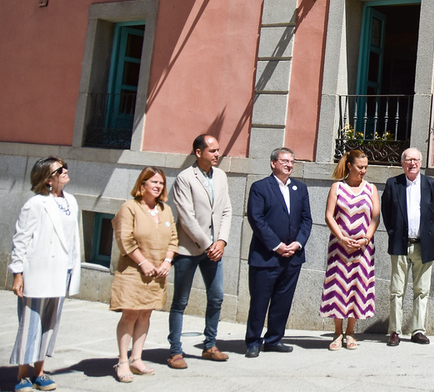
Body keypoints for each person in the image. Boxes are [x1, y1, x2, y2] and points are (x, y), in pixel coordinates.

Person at [8, 157, 82, 392]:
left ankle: (39, 372)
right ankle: (22, 375)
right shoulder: (36, 204)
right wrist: (17, 273)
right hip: (38, 271)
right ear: (48, 179)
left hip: (62, 271)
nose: (65, 171)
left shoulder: (71, 201)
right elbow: (21, 239)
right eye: (60, 170)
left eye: (65, 166)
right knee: (30, 324)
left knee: (50, 325)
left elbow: (72, 240)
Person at [167, 134, 233, 369]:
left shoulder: (221, 176)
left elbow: (226, 210)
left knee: (216, 298)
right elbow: (186, 217)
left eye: (218, 150)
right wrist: (208, 245)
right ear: (198, 152)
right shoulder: (185, 178)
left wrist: (222, 241)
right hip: (188, 249)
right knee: (180, 301)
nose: (217, 154)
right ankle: (175, 351)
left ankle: (210, 345)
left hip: (215, 249)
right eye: (212, 151)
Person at [109, 167, 178, 383]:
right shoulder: (129, 208)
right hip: (133, 271)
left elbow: (173, 238)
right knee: (130, 314)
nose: (158, 186)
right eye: (154, 182)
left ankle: (137, 358)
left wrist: (167, 261)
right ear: (143, 184)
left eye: (161, 183)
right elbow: (125, 239)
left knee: (146, 314)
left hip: (157, 272)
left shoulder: (165, 210)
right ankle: (122, 361)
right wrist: (144, 262)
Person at [245, 147, 312, 357]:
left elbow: (306, 220)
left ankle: (274, 339)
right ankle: (253, 341)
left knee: (283, 301)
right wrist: (277, 245)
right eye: (284, 161)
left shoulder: (300, 189)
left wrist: (298, 244)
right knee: (260, 301)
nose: (289, 165)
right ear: (273, 163)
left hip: (292, 257)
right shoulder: (260, 187)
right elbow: (257, 219)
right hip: (266, 256)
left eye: (292, 161)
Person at [381, 147, 434, 346]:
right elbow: (387, 214)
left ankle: (418, 331)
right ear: (402, 163)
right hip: (400, 243)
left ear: (421, 162)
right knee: (396, 290)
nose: (412, 163)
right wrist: (394, 233)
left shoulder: (432, 185)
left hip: (423, 246)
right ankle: (395, 332)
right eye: (408, 160)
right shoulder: (393, 184)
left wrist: (427, 235)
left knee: (422, 290)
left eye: (415, 160)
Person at [321, 150, 380, 351]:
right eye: (360, 167)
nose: (363, 171)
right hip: (339, 247)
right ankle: (337, 332)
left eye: (366, 167)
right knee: (338, 286)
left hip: (363, 248)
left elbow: (375, 218)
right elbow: (329, 216)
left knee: (357, 287)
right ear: (349, 166)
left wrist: (365, 239)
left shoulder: (371, 188)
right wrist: (342, 238)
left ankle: (352, 331)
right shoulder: (337, 187)